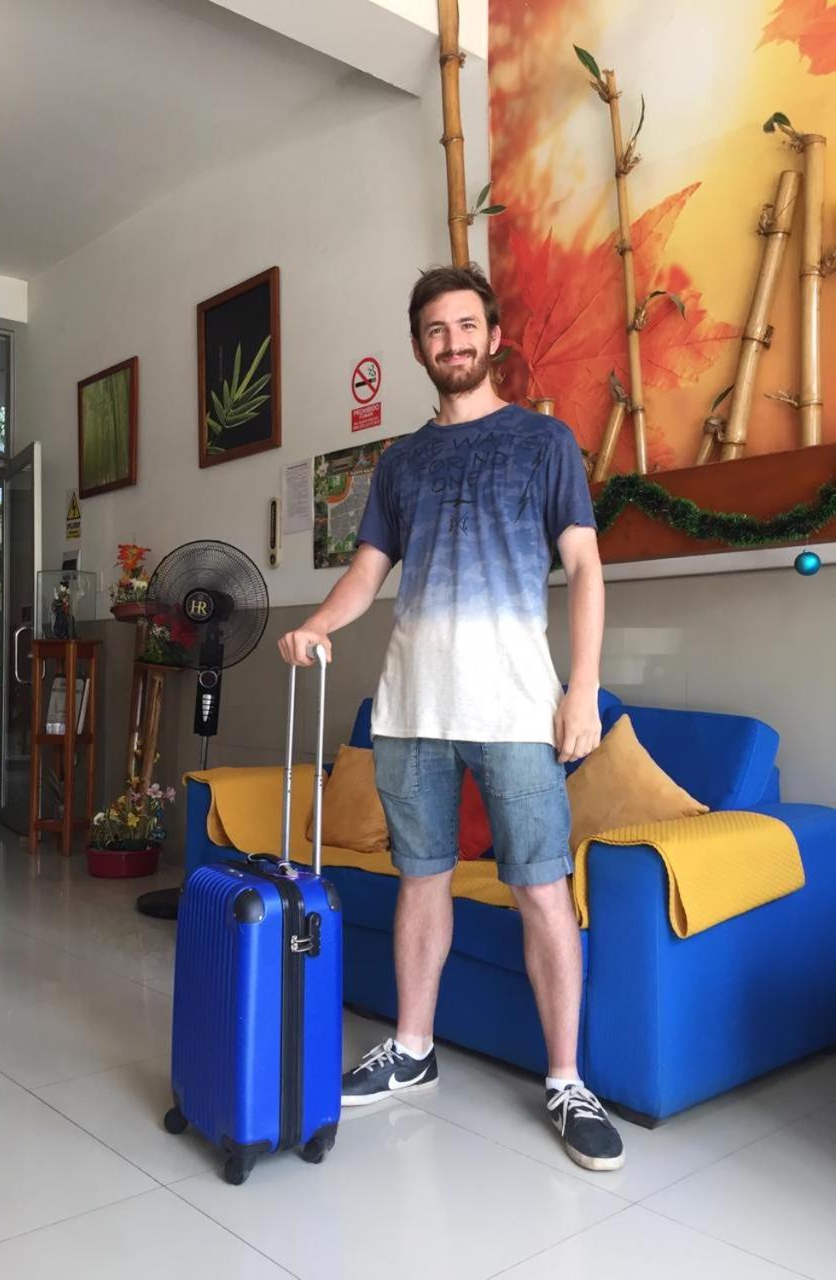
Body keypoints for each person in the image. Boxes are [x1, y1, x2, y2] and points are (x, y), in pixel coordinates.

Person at [278, 264, 624, 1173]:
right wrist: (316, 625)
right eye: (436, 330)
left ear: (493, 337)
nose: (453, 342)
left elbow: (585, 569)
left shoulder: (545, 442)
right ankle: (413, 1048)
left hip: (516, 707)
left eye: (466, 326)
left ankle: (565, 1081)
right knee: (421, 878)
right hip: (411, 709)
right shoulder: (400, 462)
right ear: (419, 347)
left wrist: (582, 689)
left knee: (541, 889)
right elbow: (366, 574)